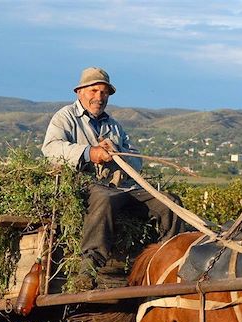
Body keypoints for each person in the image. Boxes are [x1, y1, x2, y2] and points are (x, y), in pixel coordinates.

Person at [41, 67, 183, 289]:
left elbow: (136, 160)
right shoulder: (65, 117)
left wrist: (116, 151)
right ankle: (89, 267)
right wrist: (90, 152)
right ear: (80, 92)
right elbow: (50, 148)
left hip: (122, 189)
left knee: (169, 202)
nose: (99, 97)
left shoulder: (114, 126)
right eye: (94, 90)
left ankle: (168, 261)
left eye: (104, 93)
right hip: (85, 186)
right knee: (105, 197)